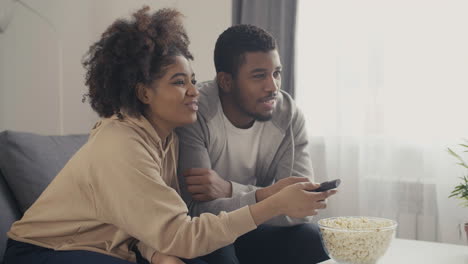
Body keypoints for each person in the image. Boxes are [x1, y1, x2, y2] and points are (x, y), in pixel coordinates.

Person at [3, 7, 336, 264]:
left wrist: (154, 252)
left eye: (192, 79)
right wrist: (271, 202)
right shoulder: (121, 144)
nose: (194, 91)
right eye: (179, 82)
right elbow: (181, 233)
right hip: (44, 252)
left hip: (113, 247)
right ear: (144, 93)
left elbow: (149, 218)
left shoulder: (166, 138)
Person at [176, 24, 332, 264]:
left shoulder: (288, 115)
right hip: (208, 231)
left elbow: (300, 210)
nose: (273, 87)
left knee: (315, 238)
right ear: (226, 81)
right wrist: (272, 199)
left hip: (256, 225)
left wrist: (230, 189)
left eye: (276, 73)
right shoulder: (195, 113)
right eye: (259, 76)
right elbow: (196, 212)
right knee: (221, 249)